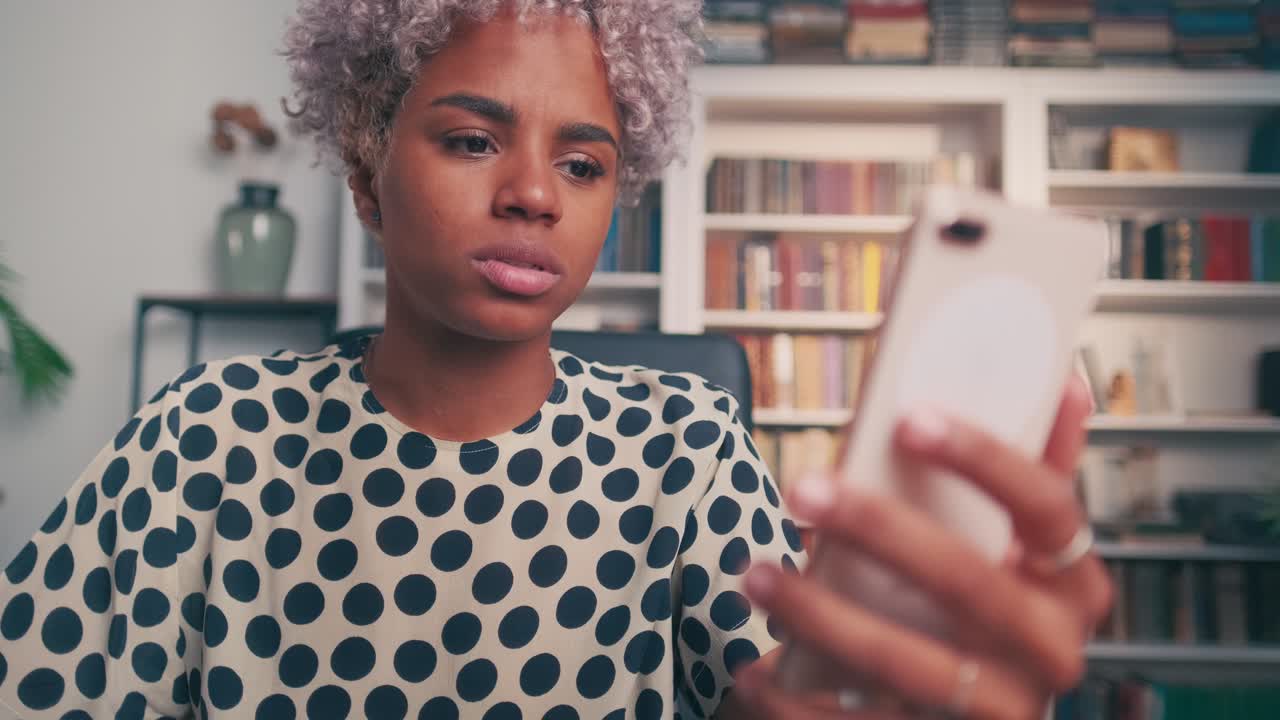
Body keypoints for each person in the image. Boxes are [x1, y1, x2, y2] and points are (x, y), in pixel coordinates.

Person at [0, 1, 1111, 718]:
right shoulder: (212, 431)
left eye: (583, 165)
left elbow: (786, 697)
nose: (534, 193)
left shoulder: (682, 442)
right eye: (472, 140)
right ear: (361, 176)